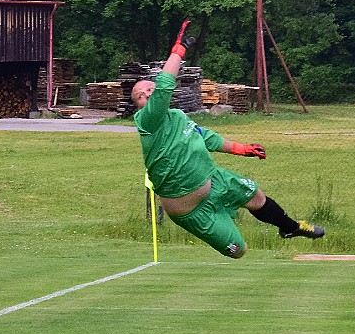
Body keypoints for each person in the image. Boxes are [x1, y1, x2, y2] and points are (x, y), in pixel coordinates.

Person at [132, 20, 325, 258]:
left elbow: (207, 138)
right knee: (238, 251)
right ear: (138, 104)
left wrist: (242, 149)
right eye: (140, 94)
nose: (147, 93)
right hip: (191, 211)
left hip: (214, 180)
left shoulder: (178, 117)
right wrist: (178, 50)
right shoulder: (147, 120)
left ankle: (290, 227)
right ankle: (224, 214)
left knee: (257, 197)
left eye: (149, 88)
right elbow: (164, 86)